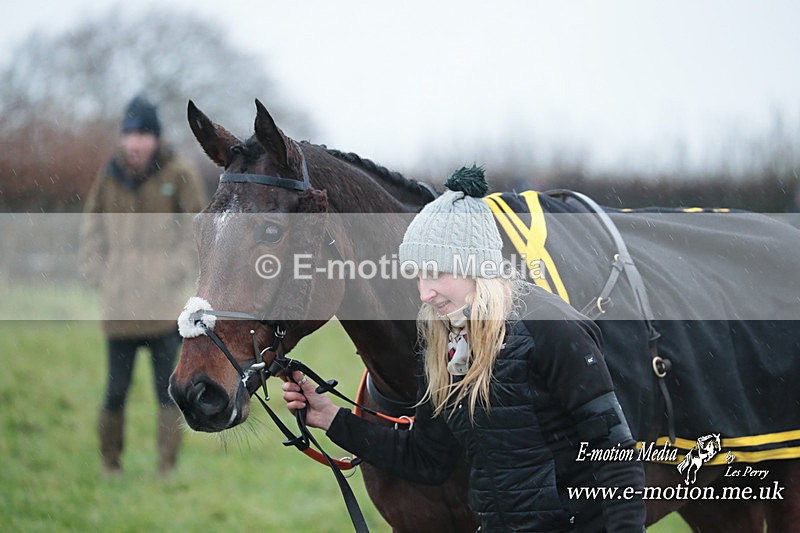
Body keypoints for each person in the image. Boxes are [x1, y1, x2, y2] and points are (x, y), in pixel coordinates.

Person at [282, 167, 646, 531]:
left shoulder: (552, 327)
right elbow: (428, 457)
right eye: (419, 275)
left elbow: (617, 457)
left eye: (436, 273)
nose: (424, 293)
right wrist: (331, 418)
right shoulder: (446, 338)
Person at [80, 95, 207, 477]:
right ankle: (109, 465)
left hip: (164, 309)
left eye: (143, 134)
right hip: (118, 308)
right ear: (123, 138)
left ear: (155, 138)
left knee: (168, 392)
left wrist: (175, 269)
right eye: (130, 134)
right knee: (114, 392)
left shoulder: (178, 172)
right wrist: (97, 272)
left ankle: (166, 468)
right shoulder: (108, 175)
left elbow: (197, 227)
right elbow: (91, 227)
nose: (135, 142)